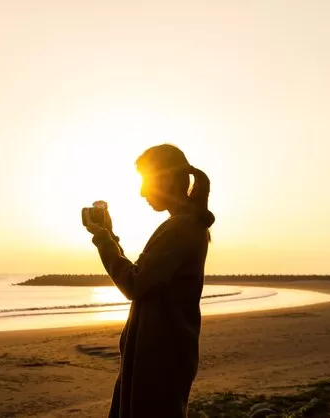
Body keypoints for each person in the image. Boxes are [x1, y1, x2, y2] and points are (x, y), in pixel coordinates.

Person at [84, 144, 215, 418]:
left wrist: (103, 239)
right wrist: (110, 236)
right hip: (158, 358)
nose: (142, 192)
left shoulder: (181, 227)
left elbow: (133, 284)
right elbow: (144, 277)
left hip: (158, 363)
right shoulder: (185, 224)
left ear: (166, 178)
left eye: (146, 180)